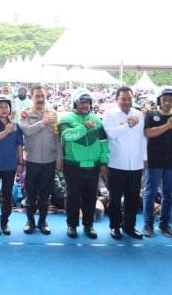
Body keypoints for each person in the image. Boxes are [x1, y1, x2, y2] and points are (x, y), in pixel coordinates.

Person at [59, 89, 107, 239]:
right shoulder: (66, 119)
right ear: (75, 103)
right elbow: (67, 136)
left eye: (87, 102)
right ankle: (72, 225)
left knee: (90, 197)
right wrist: (84, 127)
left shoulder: (98, 120)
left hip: (94, 165)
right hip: (72, 164)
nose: (85, 105)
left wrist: (104, 161)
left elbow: (104, 143)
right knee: (72, 197)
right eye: (82, 102)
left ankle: (88, 225)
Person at [103, 86, 147, 240]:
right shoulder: (109, 115)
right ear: (116, 99)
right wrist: (128, 125)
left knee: (133, 197)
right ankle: (115, 226)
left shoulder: (138, 114)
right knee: (115, 198)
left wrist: (144, 157)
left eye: (129, 98)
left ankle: (129, 226)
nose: (127, 101)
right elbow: (112, 134)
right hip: (116, 163)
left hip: (135, 163)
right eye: (123, 98)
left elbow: (143, 138)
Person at [142, 86, 172, 238]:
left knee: (169, 194)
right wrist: (167, 125)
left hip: (171, 162)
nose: (167, 102)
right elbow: (147, 133)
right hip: (153, 161)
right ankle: (148, 224)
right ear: (159, 100)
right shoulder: (150, 115)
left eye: (170, 100)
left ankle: (164, 224)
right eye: (164, 99)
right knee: (150, 193)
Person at [19, 85, 62, 235]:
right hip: (31, 160)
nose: (40, 99)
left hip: (49, 161)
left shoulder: (53, 114)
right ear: (31, 97)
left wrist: (59, 157)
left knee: (45, 193)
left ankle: (42, 221)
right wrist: (43, 122)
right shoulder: (25, 114)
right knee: (30, 193)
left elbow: (57, 138)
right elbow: (26, 131)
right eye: (37, 96)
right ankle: (30, 221)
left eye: (42, 96)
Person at [0, 95, 24, 235]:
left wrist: (20, 162)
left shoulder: (16, 125)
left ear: (10, 108)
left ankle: (4, 222)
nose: (3, 109)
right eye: (0, 107)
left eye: (6, 107)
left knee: (8, 194)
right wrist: (6, 131)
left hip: (10, 164)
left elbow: (19, 145)